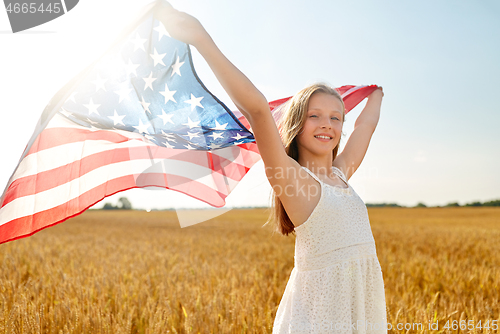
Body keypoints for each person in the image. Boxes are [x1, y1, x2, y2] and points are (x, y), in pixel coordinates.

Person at [158, 3, 387, 333]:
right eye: (315, 115)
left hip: (360, 310)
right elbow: (257, 109)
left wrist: (377, 93)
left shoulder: (339, 174)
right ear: (296, 124)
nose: (327, 124)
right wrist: (200, 38)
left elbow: (365, 127)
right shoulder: (294, 181)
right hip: (321, 320)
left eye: (336, 118)